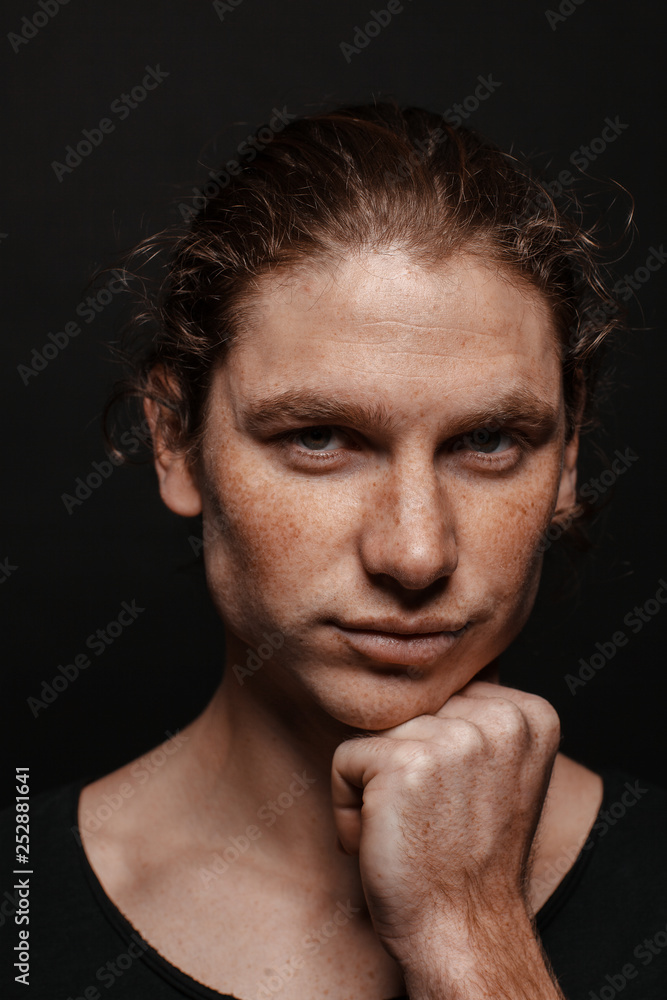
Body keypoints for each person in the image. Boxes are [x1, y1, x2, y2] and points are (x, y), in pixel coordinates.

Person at [2, 101, 666, 1000]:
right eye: (318, 437)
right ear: (174, 439)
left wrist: (469, 935)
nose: (415, 551)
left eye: (488, 441)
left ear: (569, 453)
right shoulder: (20, 911)